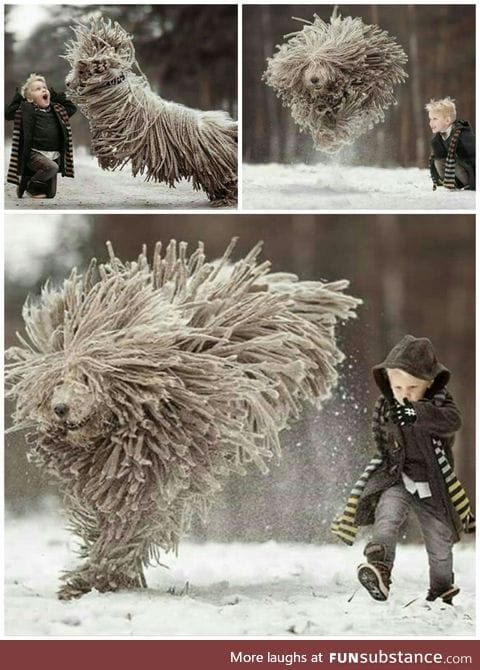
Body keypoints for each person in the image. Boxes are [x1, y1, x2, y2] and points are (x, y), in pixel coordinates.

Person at [331, 335, 474, 605]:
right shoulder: (385, 407)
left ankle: (441, 588)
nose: (404, 394)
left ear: (429, 384)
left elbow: (452, 422)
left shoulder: (441, 404)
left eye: (412, 387)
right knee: (387, 519)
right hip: (397, 477)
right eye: (398, 387)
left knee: (439, 540)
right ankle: (379, 569)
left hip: (432, 483)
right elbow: (381, 441)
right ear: (388, 382)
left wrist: (416, 413)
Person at [5, 73, 76, 198]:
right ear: (30, 99)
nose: (43, 89)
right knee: (52, 168)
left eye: (44, 88)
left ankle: (27, 179)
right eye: (37, 89)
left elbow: (71, 108)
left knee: (50, 194)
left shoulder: (57, 110)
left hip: (53, 155)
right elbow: (8, 114)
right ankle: (30, 187)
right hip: (34, 153)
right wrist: (21, 98)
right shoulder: (26, 110)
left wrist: (53, 94)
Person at [426, 97, 475, 191]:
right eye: (430, 119)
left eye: (435, 119)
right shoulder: (438, 138)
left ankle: (467, 183)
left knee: (454, 160)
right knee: (438, 160)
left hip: (472, 171)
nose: (430, 122)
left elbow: (473, 155)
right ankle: (450, 182)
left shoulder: (462, 135)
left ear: (447, 120)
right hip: (458, 173)